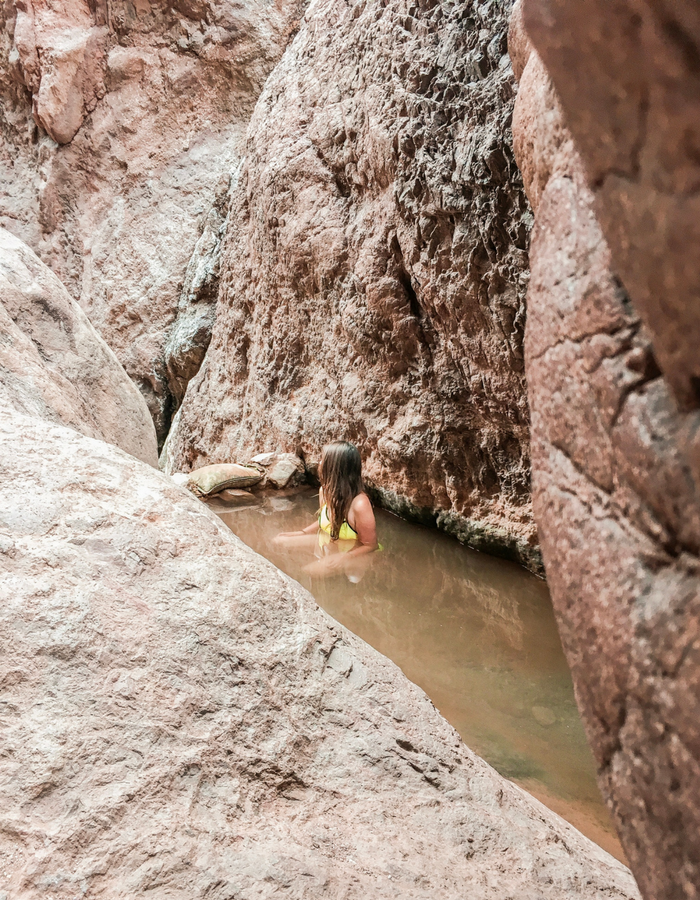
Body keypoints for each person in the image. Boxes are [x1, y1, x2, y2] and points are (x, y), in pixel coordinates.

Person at [273, 441, 378, 577]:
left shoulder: (359, 504)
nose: (319, 463)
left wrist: (345, 557)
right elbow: (325, 521)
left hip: (355, 552)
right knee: (278, 541)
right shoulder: (325, 491)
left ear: (334, 468)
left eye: (322, 459)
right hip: (331, 541)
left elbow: (370, 545)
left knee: (309, 572)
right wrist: (302, 532)